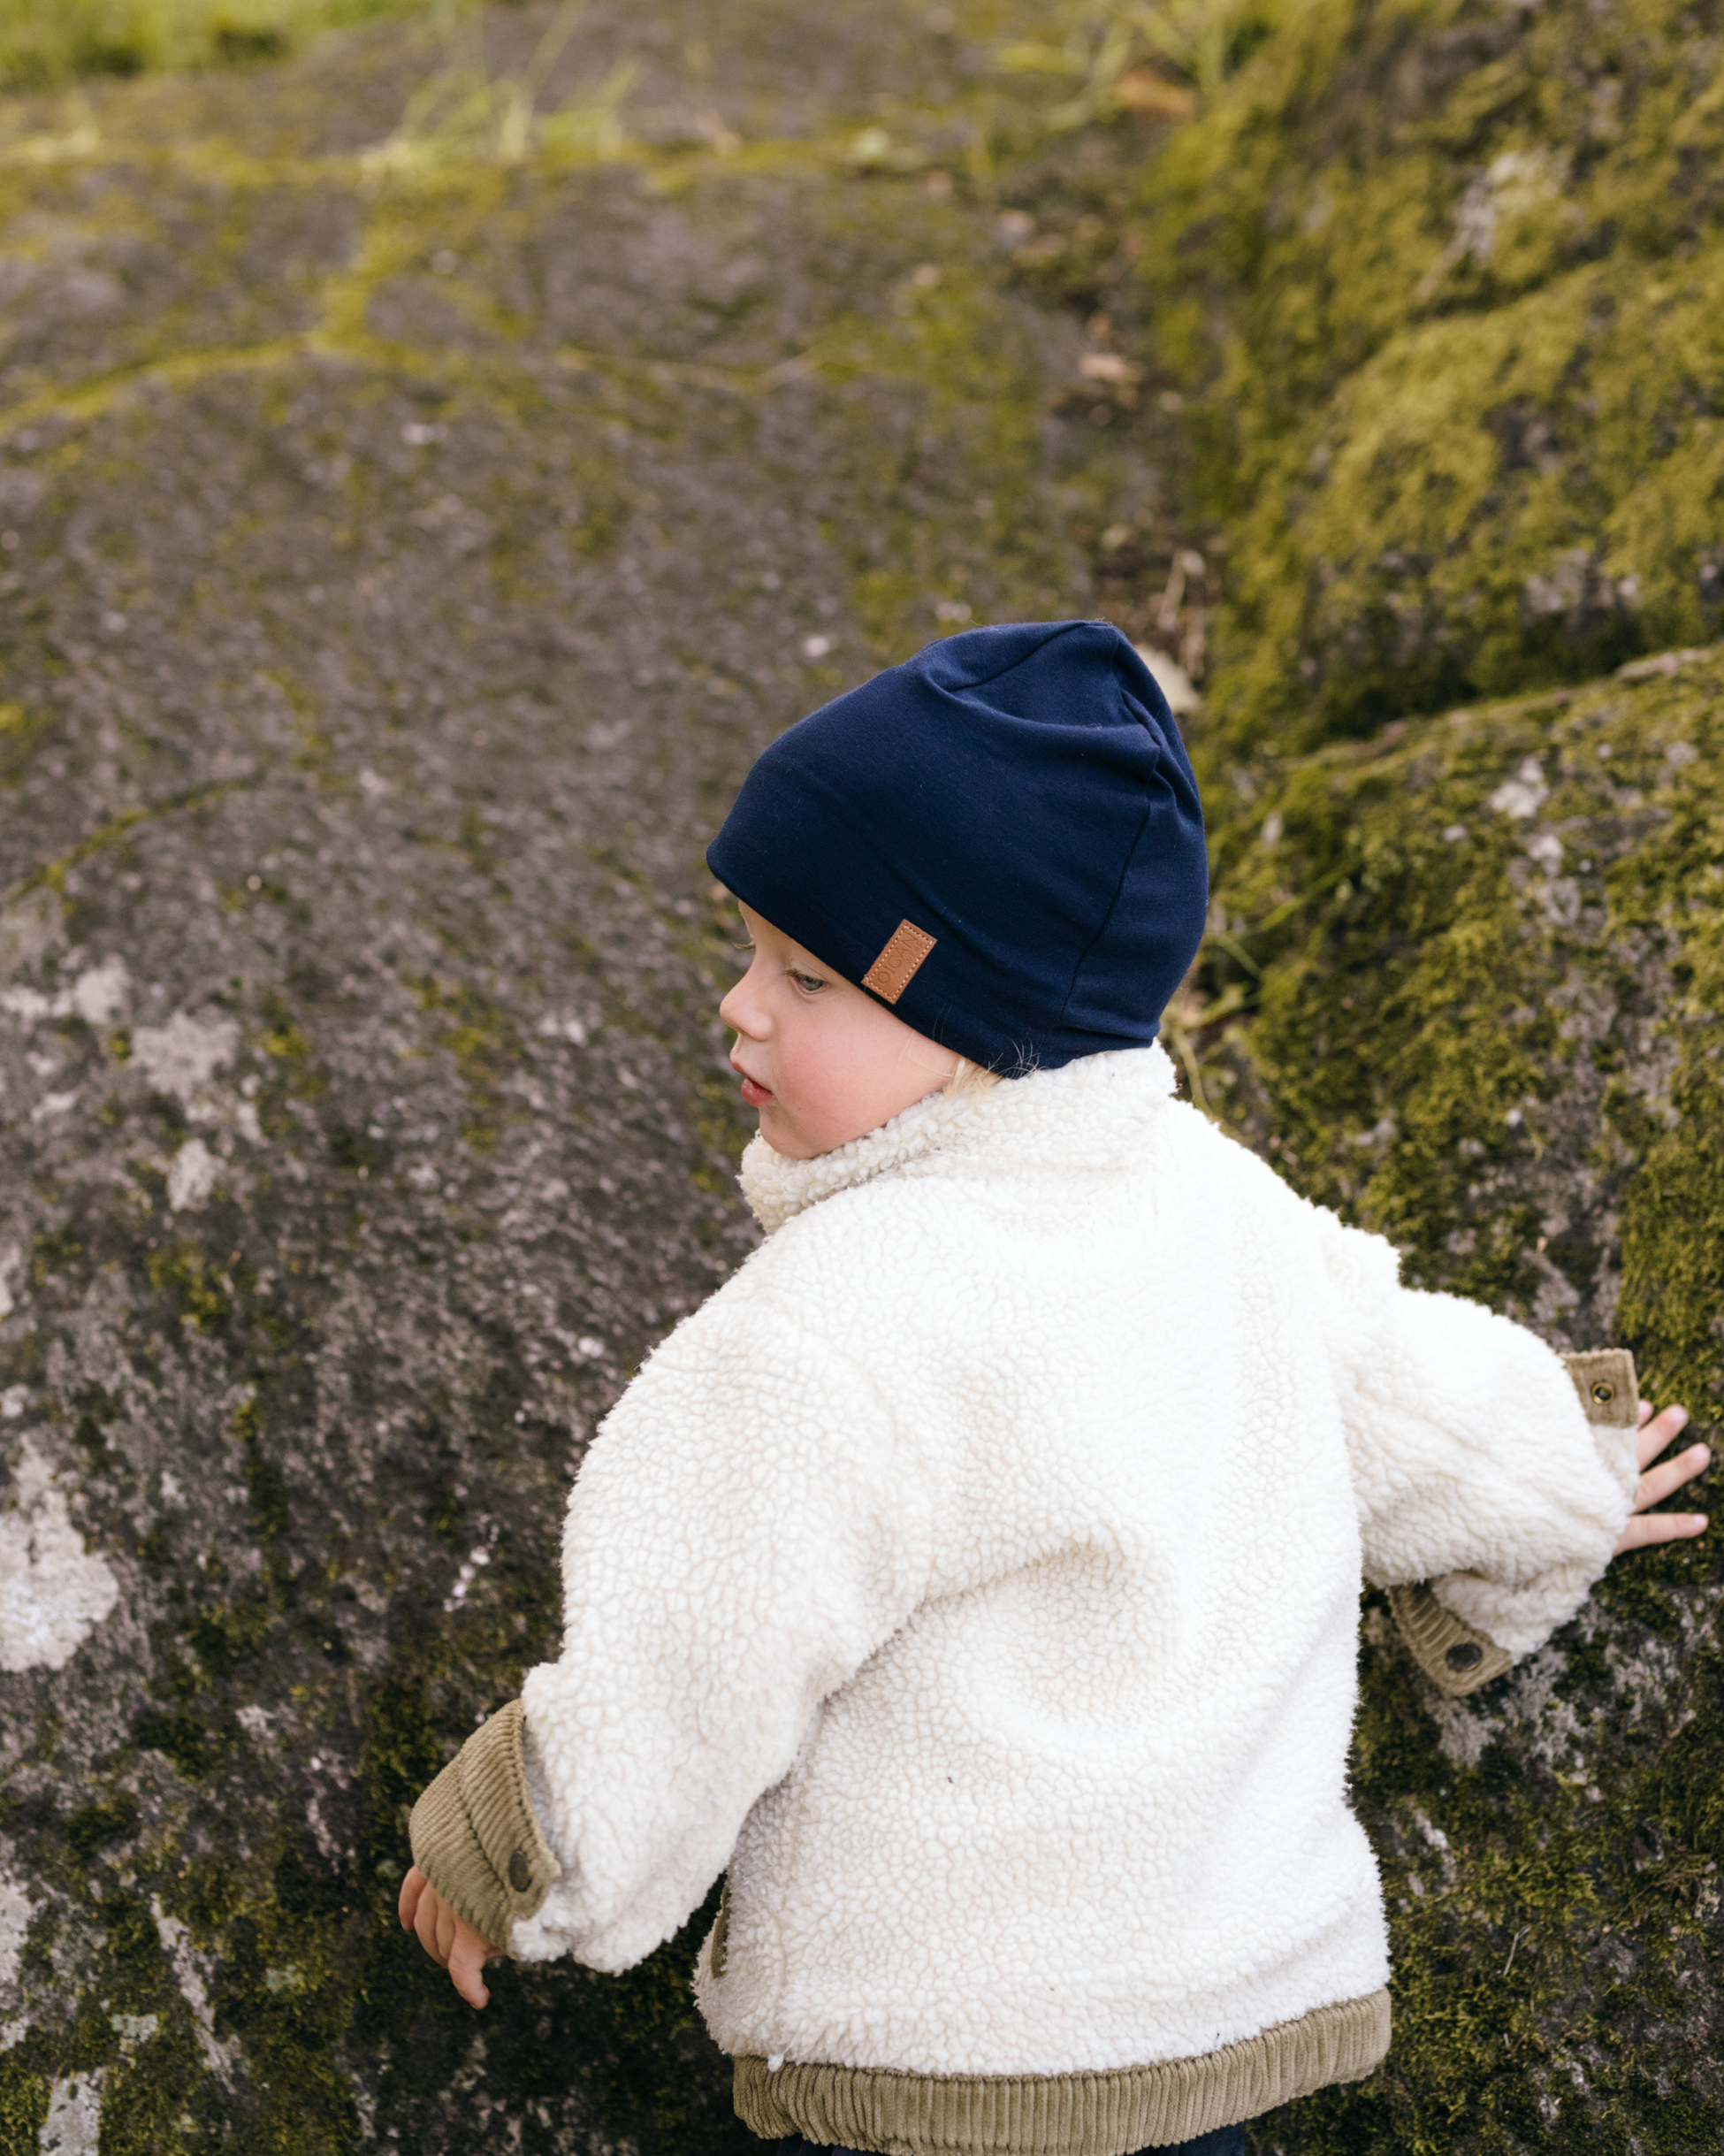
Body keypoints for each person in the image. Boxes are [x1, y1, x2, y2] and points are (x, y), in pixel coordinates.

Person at [398, 622, 1709, 2156]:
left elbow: (704, 1638)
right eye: (748, 947)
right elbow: (1406, 1386)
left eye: (806, 975)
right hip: (1216, 2024)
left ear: (974, 1021)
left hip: (942, 2066)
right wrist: (1557, 1478)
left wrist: (525, 1845)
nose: (739, 1006)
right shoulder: (1223, 1210)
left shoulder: (826, 1330)